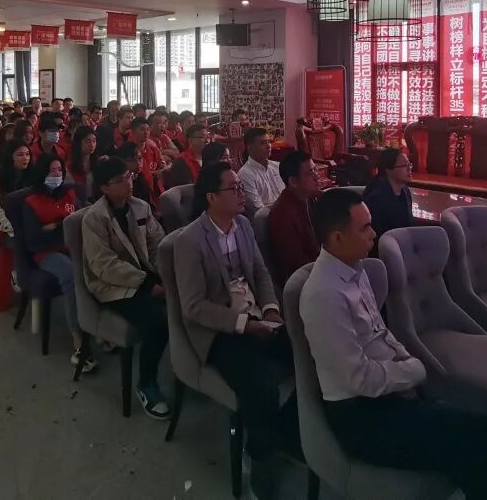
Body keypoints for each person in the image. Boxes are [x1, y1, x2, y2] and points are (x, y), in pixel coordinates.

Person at [300, 188, 487, 500]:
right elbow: (356, 378)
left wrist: (405, 362)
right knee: (484, 440)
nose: (374, 234)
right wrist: (412, 373)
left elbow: (381, 332)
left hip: (390, 392)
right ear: (337, 238)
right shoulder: (323, 296)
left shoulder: (354, 268)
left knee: (480, 432)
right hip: (362, 418)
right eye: (365, 228)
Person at [173, 162, 293, 498]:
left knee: (306, 352)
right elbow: (194, 306)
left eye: (241, 187)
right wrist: (243, 325)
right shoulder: (190, 241)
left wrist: (271, 309)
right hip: (219, 331)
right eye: (234, 188)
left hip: (255, 314)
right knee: (262, 386)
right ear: (212, 197)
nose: (241, 194)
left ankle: (286, 434)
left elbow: (261, 272)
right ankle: (258, 456)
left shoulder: (243, 225)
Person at [81, 156, 170, 419]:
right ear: (104, 188)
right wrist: (147, 283)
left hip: (146, 276)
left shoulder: (140, 206)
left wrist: (165, 275)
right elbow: (104, 265)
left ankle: (190, 369)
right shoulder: (95, 218)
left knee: (188, 302)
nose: (128, 183)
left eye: (129, 176)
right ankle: (146, 384)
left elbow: (158, 243)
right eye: (120, 180)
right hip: (114, 286)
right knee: (157, 322)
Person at [22, 155, 97, 372]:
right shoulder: (31, 202)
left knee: (97, 266)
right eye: (51, 170)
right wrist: (61, 225)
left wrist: (54, 226)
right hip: (46, 252)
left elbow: (81, 218)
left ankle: (97, 325)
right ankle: (78, 339)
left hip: (71, 246)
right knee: (72, 276)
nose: (56, 174)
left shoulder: (70, 194)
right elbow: (35, 237)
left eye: (59, 170)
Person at [265, 150, 321, 288]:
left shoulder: (311, 198)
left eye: (315, 169)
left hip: (321, 268)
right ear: (293, 182)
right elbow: (296, 263)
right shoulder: (281, 214)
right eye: (310, 172)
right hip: (304, 281)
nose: (317, 175)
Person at [362, 148, 429, 238]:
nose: (409, 168)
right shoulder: (376, 199)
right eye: (404, 165)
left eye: (409, 164)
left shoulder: (405, 190)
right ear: (388, 169)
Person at [0, 141, 32, 238]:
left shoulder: (33, 173)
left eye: (27, 154)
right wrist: (10, 228)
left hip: (30, 222)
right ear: (10, 157)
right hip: (8, 225)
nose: (25, 158)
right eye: (20, 155)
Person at [238, 127, 284, 218]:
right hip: (267, 220)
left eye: (269, 142)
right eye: (263, 143)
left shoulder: (277, 166)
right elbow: (259, 210)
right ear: (250, 147)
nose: (269, 146)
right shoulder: (245, 174)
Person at [68, 125, 98, 192]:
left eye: (94, 141)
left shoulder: (99, 163)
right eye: (87, 141)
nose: (92, 145)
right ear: (78, 143)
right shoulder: (69, 167)